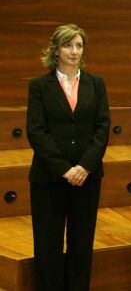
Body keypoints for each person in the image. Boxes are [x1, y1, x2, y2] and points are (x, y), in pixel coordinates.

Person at [26, 24, 111, 291]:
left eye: (79, 45)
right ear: (56, 49)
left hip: (87, 178)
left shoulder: (96, 83)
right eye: (68, 45)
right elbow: (36, 131)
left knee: (81, 244)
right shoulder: (39, 85)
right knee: (48, 245)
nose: (74, 51)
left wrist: (84, 166)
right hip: (49, 178)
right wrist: (65, 169)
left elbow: (102, 127)